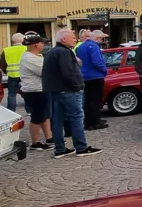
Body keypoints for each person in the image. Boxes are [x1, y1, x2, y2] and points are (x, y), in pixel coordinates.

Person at [42, 29, 102, 158]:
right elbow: (69, 72)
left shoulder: (51, 52)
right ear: (63, 39)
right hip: (68, 91)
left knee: (58, 119)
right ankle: (81, 147)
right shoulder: (64, 52)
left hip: (56, 91)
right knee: (76, 117)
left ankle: (59, 149)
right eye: (72, 37)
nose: (75, 39)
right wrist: (78, 86)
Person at [19, 34, 53, 151]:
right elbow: (44, 71)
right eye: (42, 43)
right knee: (37, 117)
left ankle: (49, 137)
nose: (43, 45)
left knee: (46, 115)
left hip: (42, 89)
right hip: (34, 91)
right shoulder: (29, 58)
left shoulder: (36, 56)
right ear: (36, 45)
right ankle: (35, 142)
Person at [78, 30, 109, 131]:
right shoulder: (94, 46)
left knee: (88, 100)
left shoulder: (80, 47)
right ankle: (94, 122)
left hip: (85, 75)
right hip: (95, 76)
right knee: (95, 100)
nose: (101, 41)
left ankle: (90, 120)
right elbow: (97, 61)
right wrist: (104, 70)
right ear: (98, 38)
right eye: (101, 38)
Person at [2, 33, 26, 112]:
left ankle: (11, 111)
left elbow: (2, 64)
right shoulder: (27, 48)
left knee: (12, 94)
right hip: (25, 74)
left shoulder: (6, 50)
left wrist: (6, 71)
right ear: (23, 40)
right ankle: (29, 110)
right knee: (27, 92)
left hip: (12, 75)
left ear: (12, 41)